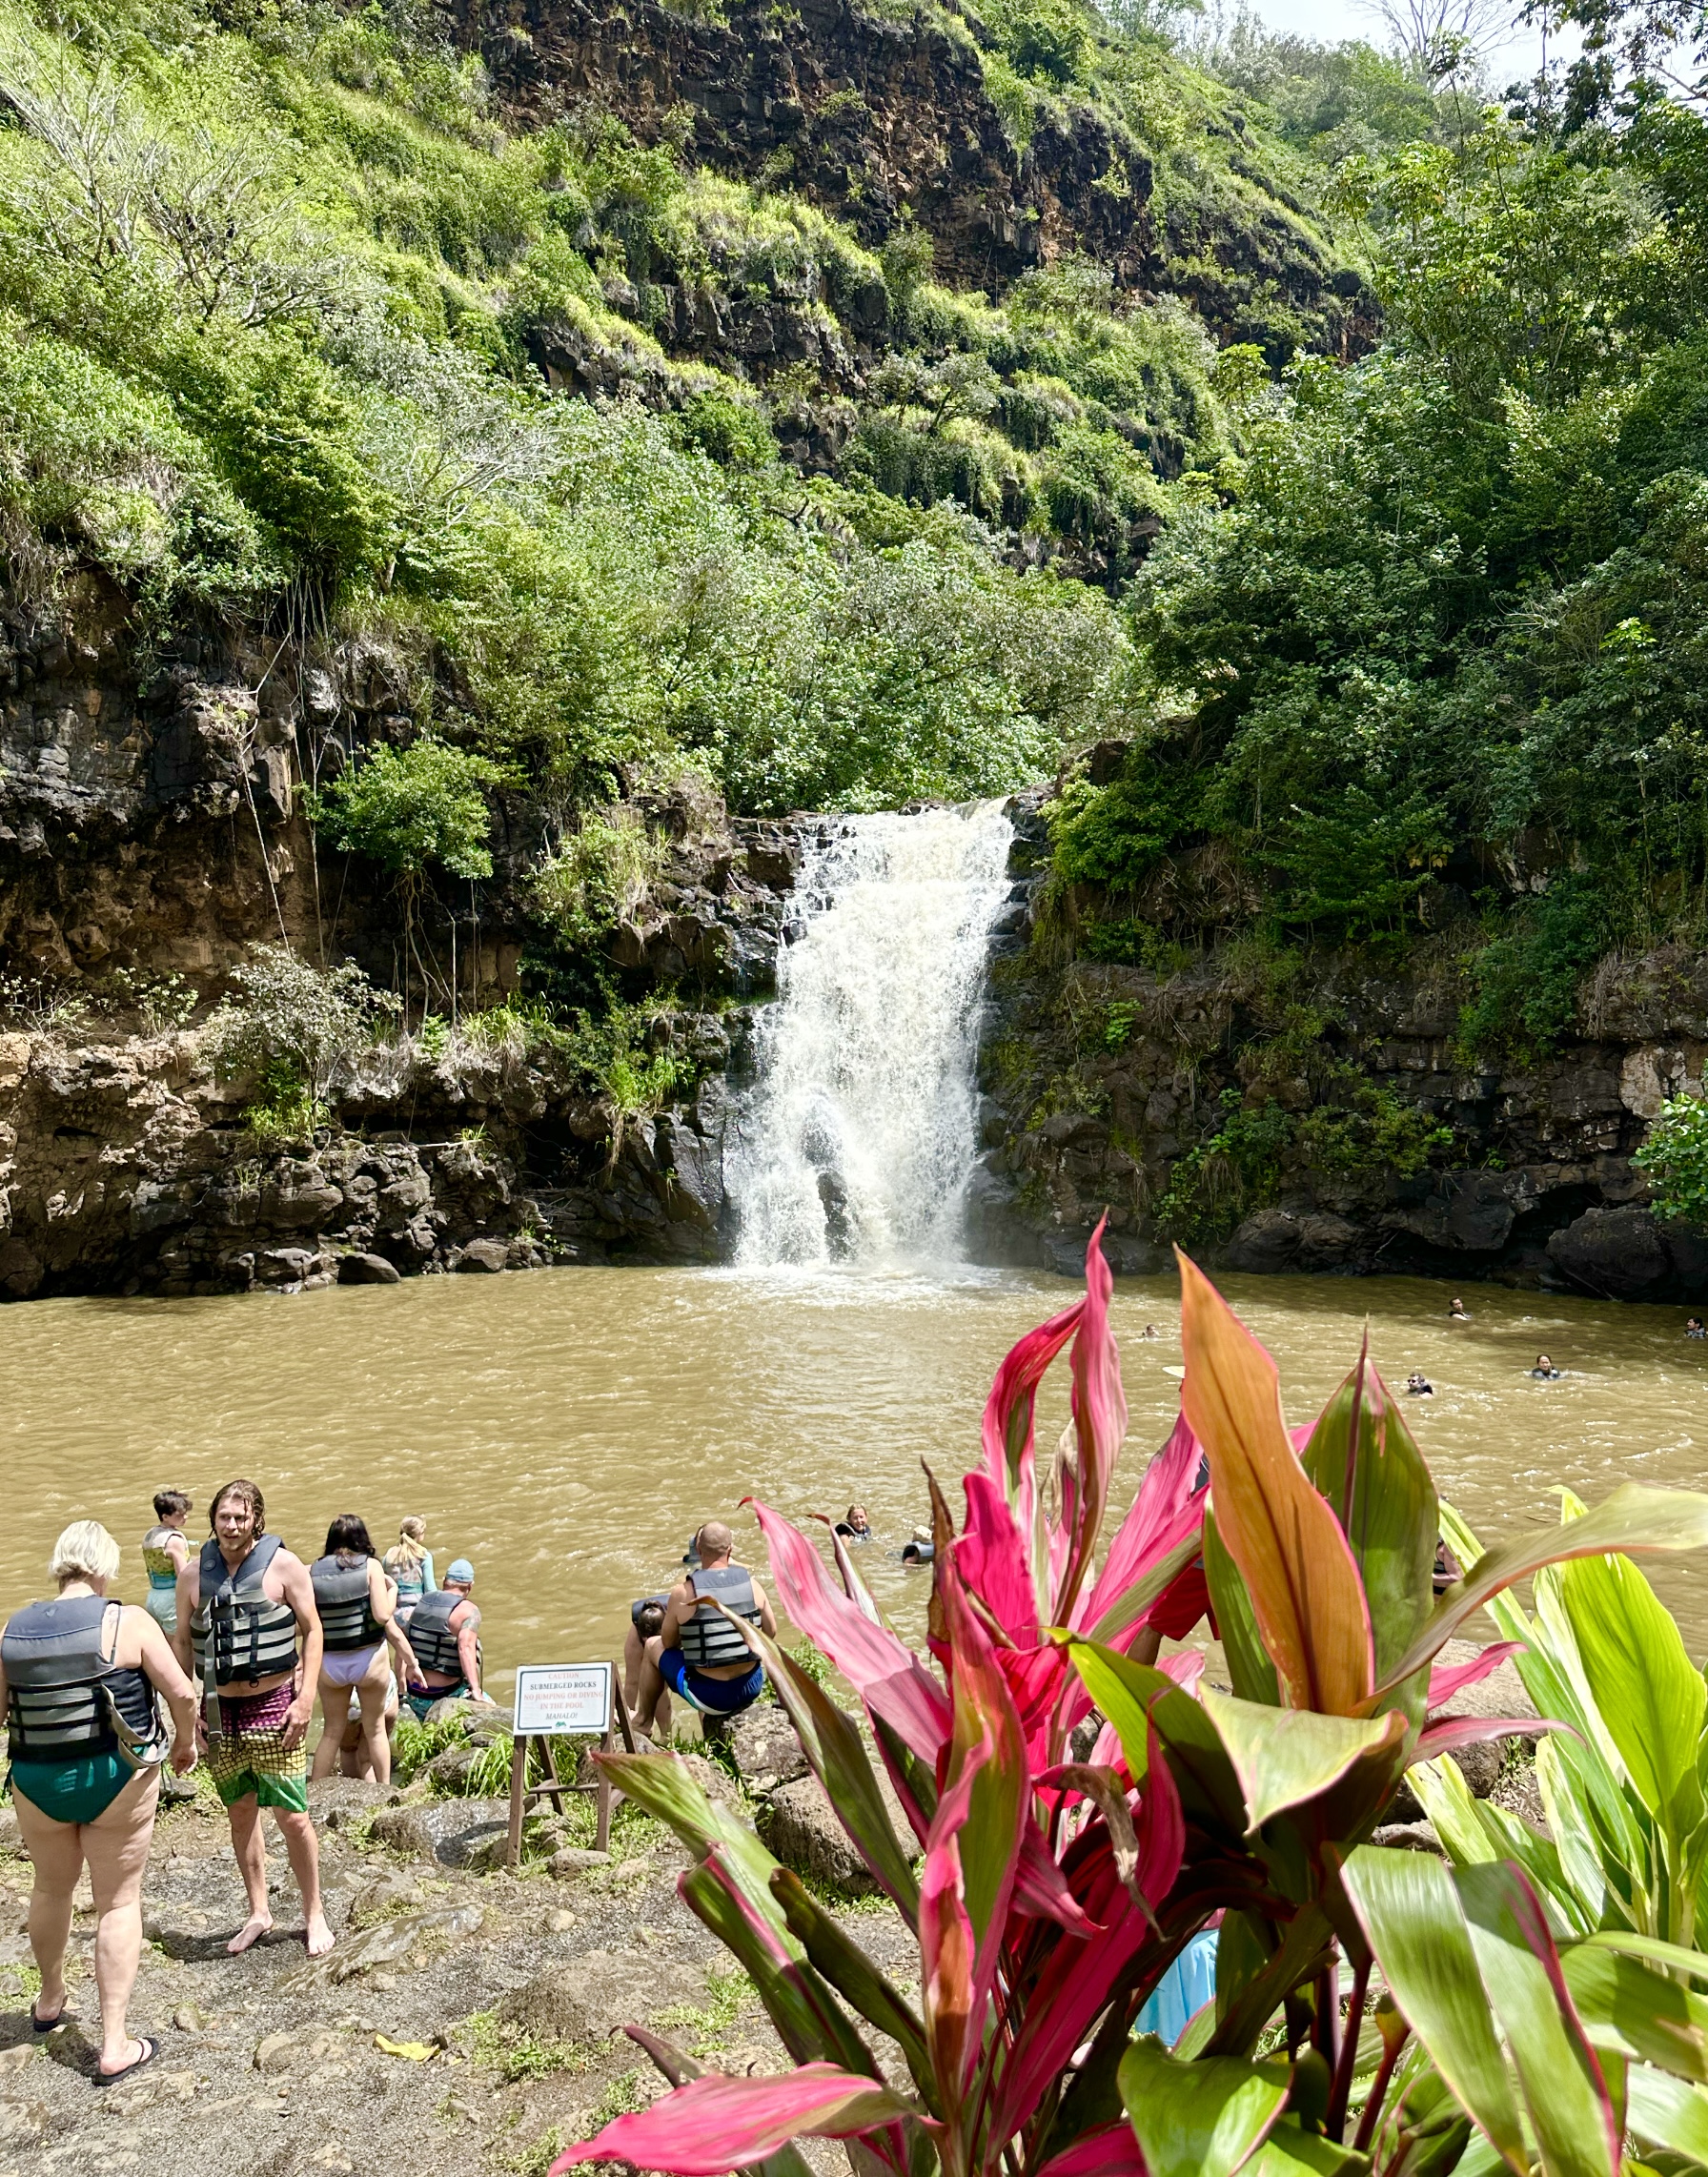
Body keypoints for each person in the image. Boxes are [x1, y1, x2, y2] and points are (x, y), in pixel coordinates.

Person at [1, 1520, 197, 2083]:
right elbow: (181, 1692)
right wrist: (184, 1744)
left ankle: (48, 2000)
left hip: (38, 1784)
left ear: (61, 1563)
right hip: (116, 1779)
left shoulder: (14, 1628)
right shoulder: (126, 1619)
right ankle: (114, 2044)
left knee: (50, 1887)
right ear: (105, 1567)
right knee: (116, 1902)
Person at [173, 1479, 332, 1958]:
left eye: (241, 1517)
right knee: (240, 1812)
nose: (232, 1525)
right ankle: (259, 1912)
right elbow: (182, 1643)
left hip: (273, 1705)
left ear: (256, 1520)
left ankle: (314, 1913)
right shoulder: (194, 1575)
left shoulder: (284, 1566)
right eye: (224, 1516)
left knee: (292, 1815)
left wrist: (305, 1701)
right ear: (213, 1519)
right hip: (220, 1712)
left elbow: (313, 1630)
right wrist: (188, 1712)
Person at [633, 1521, 776, 1731]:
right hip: (751, 1686)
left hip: (710, 1697)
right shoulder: (754, 1585)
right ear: (730, 1550)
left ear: (698, 1550)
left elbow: (668, 1642)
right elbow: (770, 1633)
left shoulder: (683, 1592)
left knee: (653, 1645)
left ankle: (643, 1721)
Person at [308, 1516, 402, 1786]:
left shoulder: (311, 1570)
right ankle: (385, 1792)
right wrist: (392, 1590)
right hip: (368, 1659)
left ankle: (315, 1793)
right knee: (375, 1731)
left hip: (329, 1662)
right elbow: (383, 1615)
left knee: (332, 1732)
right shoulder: (371, 1567)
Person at [403, 1559, 491, 1717]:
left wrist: (401, 1688)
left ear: (444, 1581)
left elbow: (404, 1642)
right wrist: (476, 1692)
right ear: (470, 1586)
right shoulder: (468, 1610)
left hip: (415, 1695)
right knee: (491, 1709)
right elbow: (466, 1648)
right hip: (445, 1694)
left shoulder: (422, 1602)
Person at [140, 1492, 193, 1639]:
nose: (185, 1517)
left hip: (153, 1596)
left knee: (159, 1644)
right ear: (165, 1517)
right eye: (180, 1514)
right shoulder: (174, 1540)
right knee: (179, 1644)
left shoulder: (150, 1536)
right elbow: (183, 1575)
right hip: (171, 1598)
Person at [623, 1599, 671, 1739]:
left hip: (669, 1626)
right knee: (634, 1680)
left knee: (659, 1688)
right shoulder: (636, 1632)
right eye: (646, 1641)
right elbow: (631, 1683)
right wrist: (627, 1716)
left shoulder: (674, 1625)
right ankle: (629, 1729)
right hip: (646, 1627)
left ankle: (666, 1737)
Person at [382, 1516, 436, 1627]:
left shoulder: (389, 1555)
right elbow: (430, 1591)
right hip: (417, 1614)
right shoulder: (424, 1555)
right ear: (420, 1533)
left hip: (393, 1615)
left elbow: (383, 1585)